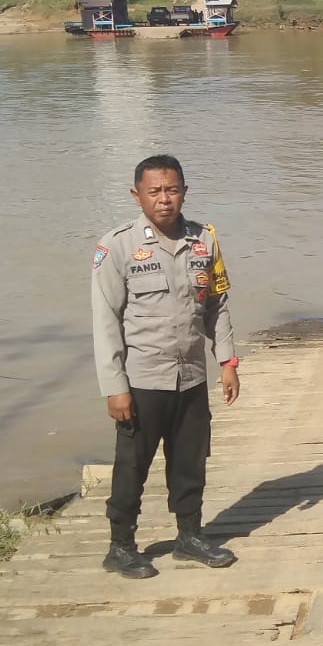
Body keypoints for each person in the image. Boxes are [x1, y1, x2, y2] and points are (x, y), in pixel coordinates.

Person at [91, 154, 241, 578]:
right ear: (136, 195)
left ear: (184, 192)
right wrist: (114, 386)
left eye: (172, 190)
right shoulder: (116, 246)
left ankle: (189, 537)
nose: (164, 200)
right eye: (154, 191)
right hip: (142, 379)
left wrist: (227, 361)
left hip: (191, 375)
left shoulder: (204, 241)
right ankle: (120, 546)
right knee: (132, 466)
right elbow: (105, 321)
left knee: (190, 460)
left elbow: (218, 304)